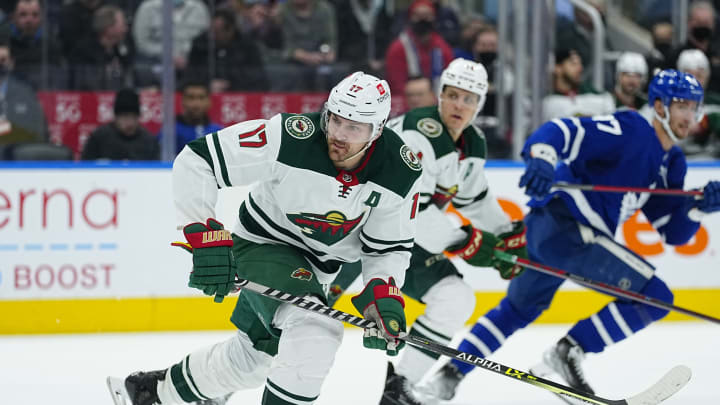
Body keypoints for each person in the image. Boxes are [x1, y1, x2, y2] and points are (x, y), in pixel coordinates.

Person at [112, 72, 423, 405]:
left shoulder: (400, 171)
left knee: (255, 361)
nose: (338, 135)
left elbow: (388, 247)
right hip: (264, 244)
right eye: (335, 120)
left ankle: (155, 393)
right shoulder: (290, 137)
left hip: (322, 270)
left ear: (377, 130)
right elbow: (198, 160)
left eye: (353, 128)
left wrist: (382, 292)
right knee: (315, 333)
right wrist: (205, 234)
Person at [417, 69, 720, 403]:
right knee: (655, 296)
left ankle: (448, 377)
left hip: (549, 232)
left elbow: (672, 231)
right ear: (659, 105)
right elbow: (562, 130)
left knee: (517, 309)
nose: (689, 116)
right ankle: (568, 351)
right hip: (567, 227)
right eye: (681, 106)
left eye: (694, 107)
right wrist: (543, 158)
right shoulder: (632, 129)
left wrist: (698, 208)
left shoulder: (672, 162)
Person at [327, 58, 528, 405]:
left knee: (455, 298)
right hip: (350, 229)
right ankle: (223, 386)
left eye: (468, 99)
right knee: (305, 313)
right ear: (440, 95)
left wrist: (507, 233)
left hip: (398, 239)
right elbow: (413, 210)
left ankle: (400, 389)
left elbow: (474, 198)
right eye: (452, 95)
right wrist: (465, 242)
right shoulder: (420, 134)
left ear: (479, 104)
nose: (459, 105)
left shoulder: (472, 143)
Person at [187, 8, 268, 92]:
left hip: (238, 96)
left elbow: (259, 81)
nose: (211, 36)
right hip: (204, 97)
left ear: (230, 31)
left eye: (216, 32)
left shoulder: (247, 47)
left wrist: (230, 86)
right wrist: (206, 85)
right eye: (210, 30)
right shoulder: (200, 44)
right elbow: (189, 78)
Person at [384, 0, 453, 92]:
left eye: (427, 16)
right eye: (418, 16)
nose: (423, 20)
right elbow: (397, 85)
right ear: (410, 18)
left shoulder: (442, 46)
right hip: (409, 99)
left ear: (434, 18)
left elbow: (450, 78)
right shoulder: (399, 48)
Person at [81, 88, 159, 160]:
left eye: (134, 117)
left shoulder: (149, 142)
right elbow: (84, 167)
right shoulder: (99, 138)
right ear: (116, 117)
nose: (130, 122)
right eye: (125, 117)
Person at [542, 48, 614, 121]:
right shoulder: (546, 100)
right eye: (573, 64)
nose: (580, 68)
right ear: (557, 68)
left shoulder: (597, 96)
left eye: (580, 64)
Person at [161, 80, 221, 155]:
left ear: (209, 101)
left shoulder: (218, 132)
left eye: (201, 98)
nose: (196, 104)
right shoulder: (170, 131)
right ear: (182, 101)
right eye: (191, 98)